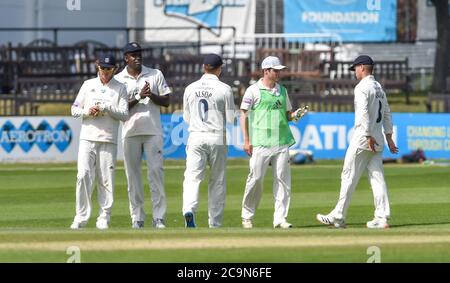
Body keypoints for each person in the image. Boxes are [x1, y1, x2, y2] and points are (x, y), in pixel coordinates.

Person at [316, 55, 399, 229]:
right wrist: (389, 137)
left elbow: (362, 113)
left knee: (348, 176)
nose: (354, 72)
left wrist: (368, 135)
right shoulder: (378, 87)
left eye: (355, 68)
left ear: (362, 67)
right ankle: (382, 217)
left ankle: (338, 216)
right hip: (377, 140)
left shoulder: (362, 87)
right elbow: (387, 113)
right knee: (377, 178)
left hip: (364, 139)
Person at [240, 56, 308, 229]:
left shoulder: (282, 91)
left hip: (281, 141)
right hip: (260, 142)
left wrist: (297, 115)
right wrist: (247, 140)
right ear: (266, 71)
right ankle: (247, 216)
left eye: (279, 70)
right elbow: (244, 115)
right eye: (275, 70)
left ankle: (280, 218)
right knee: (255, 179)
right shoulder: (253, 90)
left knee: (283, 181)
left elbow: (287, 116)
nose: (278, 73)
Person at [114, 42, 171, 229]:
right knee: (133, 177)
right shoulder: (118, 79)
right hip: (130, 131)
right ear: (126, 58)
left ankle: (159, 217)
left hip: (153, 131)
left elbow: (167, 101)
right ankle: (137, 217)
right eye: (133, 54)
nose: (137, 57)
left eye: (139, 54)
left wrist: (150, 95)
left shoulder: (155, 74)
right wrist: (138, 96)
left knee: (156, 173)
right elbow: (119, 109)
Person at [70, 54, 129, 230]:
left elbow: (124, 114)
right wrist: (88, 111)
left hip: (108, 139)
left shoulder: (120, 88)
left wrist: (106, 108)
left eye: (109, 69)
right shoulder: (88, 85)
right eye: (103, 68)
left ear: (114, 69)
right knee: (83, 176)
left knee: (106, 179)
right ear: (97, 67)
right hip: (87, 137)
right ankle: (80, 217)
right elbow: (74, 109)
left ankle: (104, 217)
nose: (105, 72)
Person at [182, 53, 236, 228]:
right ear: (219, 69)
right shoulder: (225, 89)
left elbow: (187, 117)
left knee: (192, 177)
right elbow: (230, 119)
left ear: (204, 68)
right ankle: (215, 222)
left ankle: (189, 209)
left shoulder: (190, 88)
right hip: (216, 136)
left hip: (196, 135)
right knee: (217, 180)